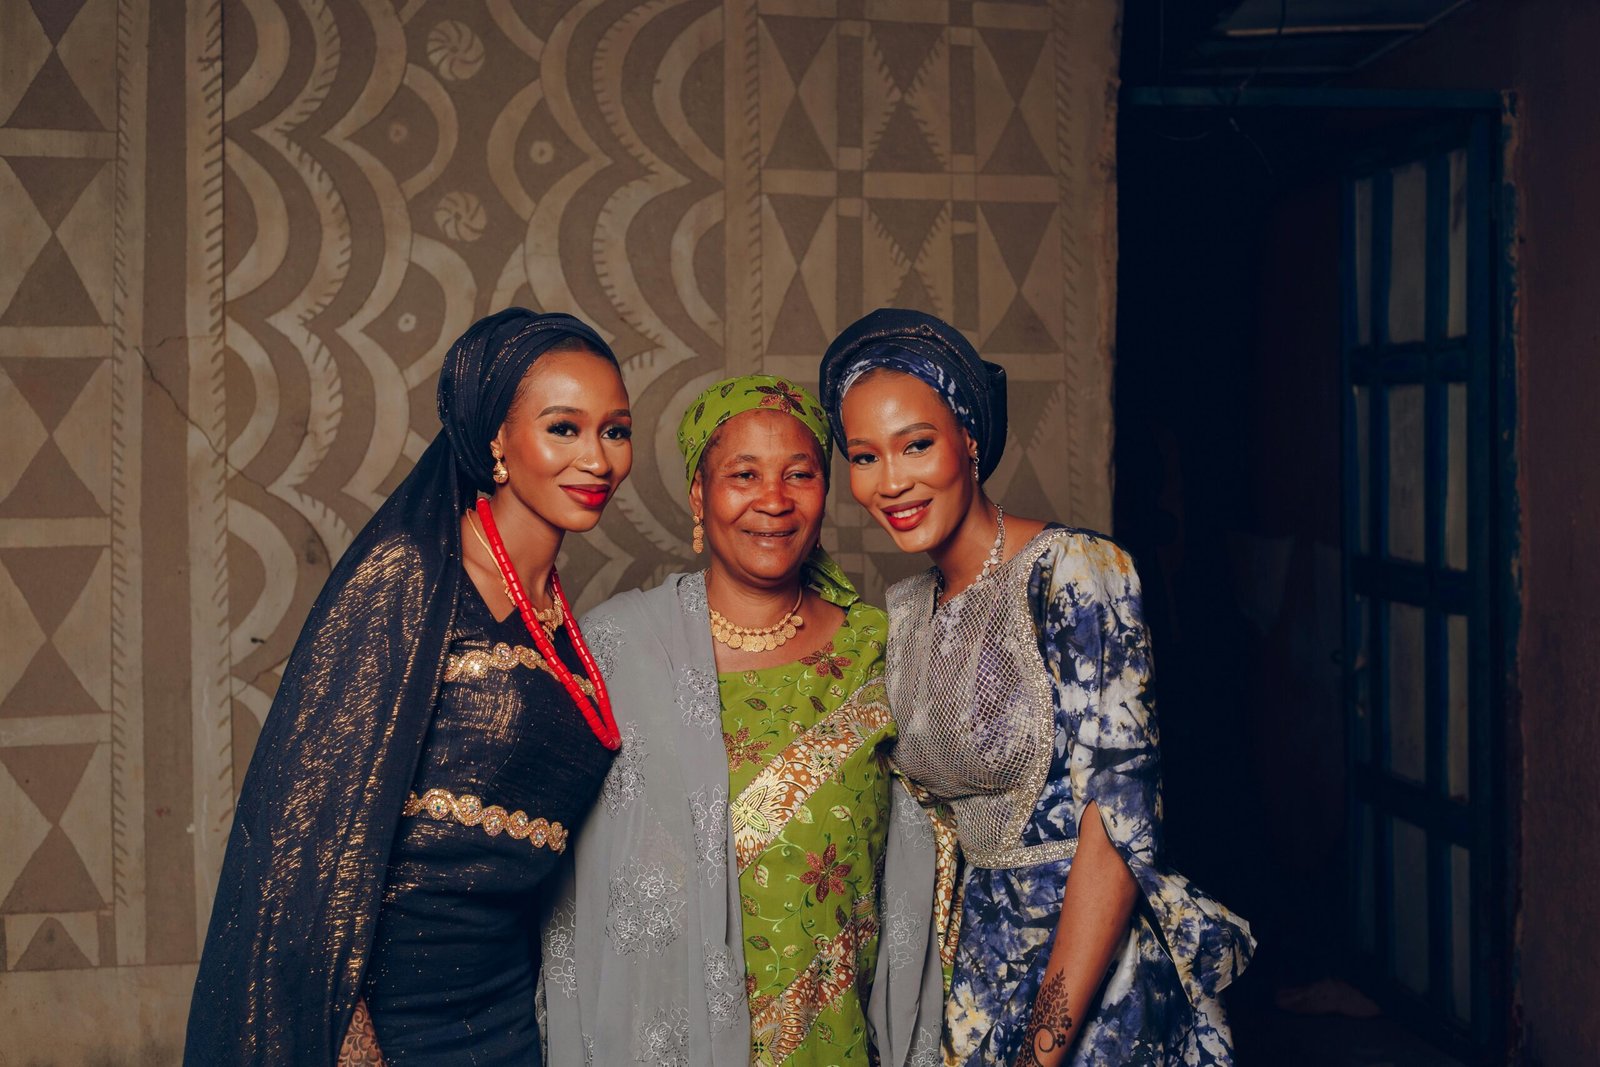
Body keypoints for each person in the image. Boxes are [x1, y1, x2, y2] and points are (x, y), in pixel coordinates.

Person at [185, 310, 633, 1065]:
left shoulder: (558, 619)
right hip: (387, 1021)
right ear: (496, 437)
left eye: (615, 430)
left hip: (507, 1015)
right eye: (564, 428)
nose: (596, 458)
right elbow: (304, 833)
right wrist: (354, 1041)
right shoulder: (410, 577)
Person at [818, 309, 1255, 1067]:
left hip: (1091, 983)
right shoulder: (906, 612)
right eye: (863, 456)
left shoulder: (1077, 573)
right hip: (970, 975)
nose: (891, 482)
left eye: (916, 444)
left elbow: (1116, 832)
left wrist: (1042, 1048)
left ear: (970, 439)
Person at [541, 375, 952, 1067]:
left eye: (800, 473)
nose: (773, 500)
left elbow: (930, 871)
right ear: (699, 495)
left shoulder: (883, 652)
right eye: (744, 474)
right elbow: (562, 889)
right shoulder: (613, 650)